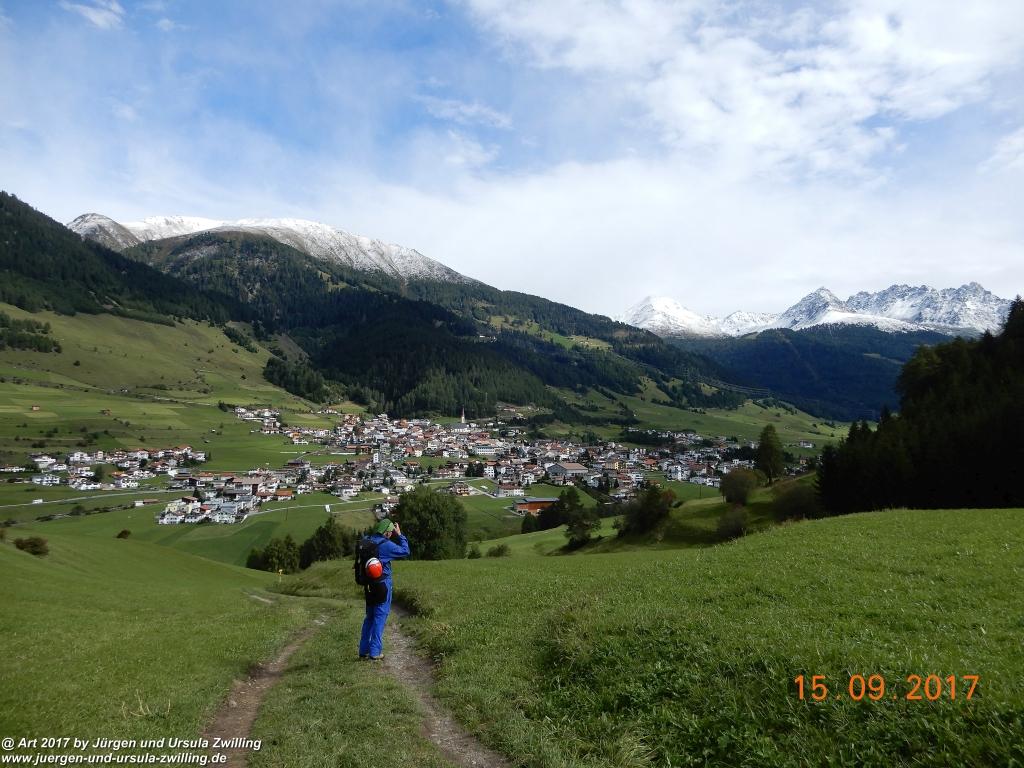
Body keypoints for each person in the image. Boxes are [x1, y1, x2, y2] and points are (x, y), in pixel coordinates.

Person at [358, 518, 410, 661]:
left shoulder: (367, 540)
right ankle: (375, 652)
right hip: (382, 585)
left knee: (369, 617)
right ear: (387, 532)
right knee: (380, 617)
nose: (392, 534)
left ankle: (363, 650)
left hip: (368, 585)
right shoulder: (386, 545)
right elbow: (405, 551)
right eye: (391, 532)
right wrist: (400, 535)